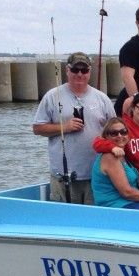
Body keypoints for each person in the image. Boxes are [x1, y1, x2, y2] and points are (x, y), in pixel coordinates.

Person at [32, 51, 116, 204]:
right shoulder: (52, 96)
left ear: (89, 72)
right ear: (67, 70)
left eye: (84, 70)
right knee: (63, 221)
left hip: (95, 175)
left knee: (93, 221)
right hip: (62, 176)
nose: (80, 74)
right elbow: (37, 128)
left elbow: (115, 130)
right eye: (75, 70)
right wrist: (65, 127)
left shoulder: (102, 98)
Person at [91, 118, 139, 211]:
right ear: (106, 136)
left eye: (123, 131)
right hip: (115, 207)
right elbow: (126, 192)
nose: (119, 135)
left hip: (128, 203)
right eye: (114, 133)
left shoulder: (123, 154)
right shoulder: (110, 157)